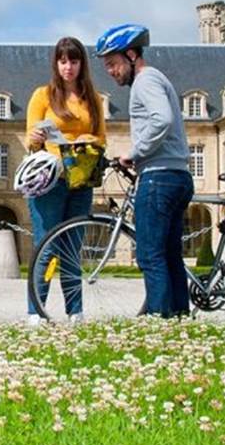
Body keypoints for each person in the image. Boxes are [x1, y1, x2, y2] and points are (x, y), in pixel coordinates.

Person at [94, 23, 194, 318]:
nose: (111, 72)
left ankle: (159, 322)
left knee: (150, 255)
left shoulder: (145, 81)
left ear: (131, 54)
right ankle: (178, 318)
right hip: (177, 176)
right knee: (170, 255)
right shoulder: (155, 79)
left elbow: (161, 120)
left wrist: (134, 153)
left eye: (113, 64)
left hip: (159, 177)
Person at [22, 37, 106, 324]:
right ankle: (36, 314)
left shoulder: (93, 99)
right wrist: (34, 139)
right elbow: (30, 141)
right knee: (46, 246)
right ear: (56, 64)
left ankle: (75, 313)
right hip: (50, 179)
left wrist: (88, 138)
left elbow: (102, 139)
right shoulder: (43, 95)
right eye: (63, 61)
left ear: (82, 63)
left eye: (73, 60)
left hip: (81, 179)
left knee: (72, 249)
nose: (68, 67)